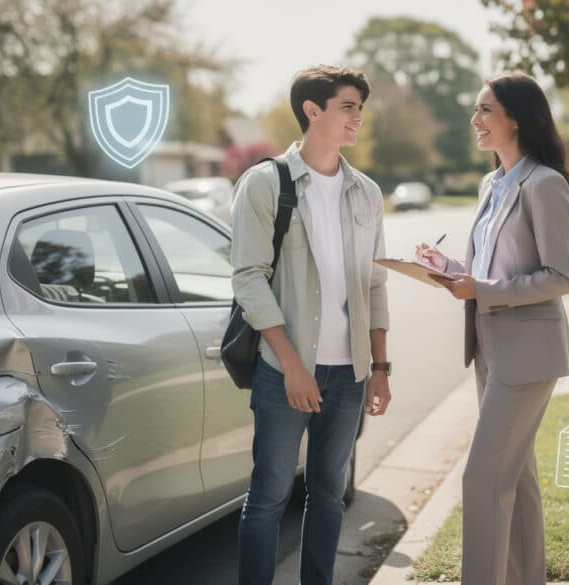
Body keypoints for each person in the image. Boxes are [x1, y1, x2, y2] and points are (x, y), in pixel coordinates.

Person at [415, 72, 569, 585]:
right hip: (489, 348)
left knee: (483, 479)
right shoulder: (493, 183)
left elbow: (561, 277)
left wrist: (481, 290)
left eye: (486, 110)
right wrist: (450, 266)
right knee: (517, 479)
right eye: (477, 110)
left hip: (528, 354)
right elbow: (493, 266)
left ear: (517, 117)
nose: (476, 120)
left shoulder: (545, 182)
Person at [230, 65, 392, 585]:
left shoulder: (366, 192)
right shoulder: (265, 183)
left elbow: (374, 284)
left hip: (350, 375)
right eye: (348, 107)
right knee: (269, 496)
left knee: (328, 494)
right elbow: (248, 279)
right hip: (284, 371)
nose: (358, 118)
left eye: (361, 109)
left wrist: (381, 367)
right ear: (312, 110)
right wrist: (294, 365)